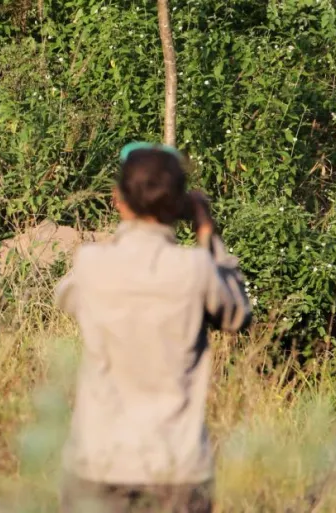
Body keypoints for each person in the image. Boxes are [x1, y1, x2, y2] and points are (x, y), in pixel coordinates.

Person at [53, 142, 252, 513]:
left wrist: (125, 229)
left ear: (119, 200)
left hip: (98, 460)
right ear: (179, 206)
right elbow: (238, 314)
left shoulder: (92, 264)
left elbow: (66, 297)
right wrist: (208, 233)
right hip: (175, 466)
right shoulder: (197, 270)